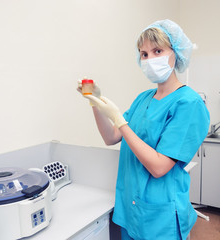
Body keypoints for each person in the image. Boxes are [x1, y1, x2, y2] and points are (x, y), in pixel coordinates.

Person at [77, 19, 210, 240]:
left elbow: (159, 167)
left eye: (157, 51)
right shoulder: (143, 99)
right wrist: (95, 102)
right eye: (144, 54)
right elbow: (111, 138)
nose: (149, 59)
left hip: (161, 216)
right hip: (130, 208)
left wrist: (120, 120)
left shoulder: (188, 104)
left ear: (175, 53)